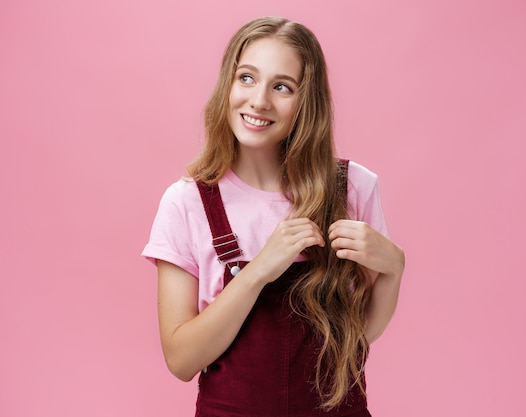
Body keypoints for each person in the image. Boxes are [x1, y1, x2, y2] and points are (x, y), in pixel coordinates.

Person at [142, 16, 405, 417]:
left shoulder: (353, 187)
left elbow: (360, 336)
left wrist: (393, 269)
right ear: (227, 84)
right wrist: (259, 270)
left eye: (282, 86)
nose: (260, 100)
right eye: (247, 78)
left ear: (306, 101)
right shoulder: (187, 202)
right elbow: (181, 360)